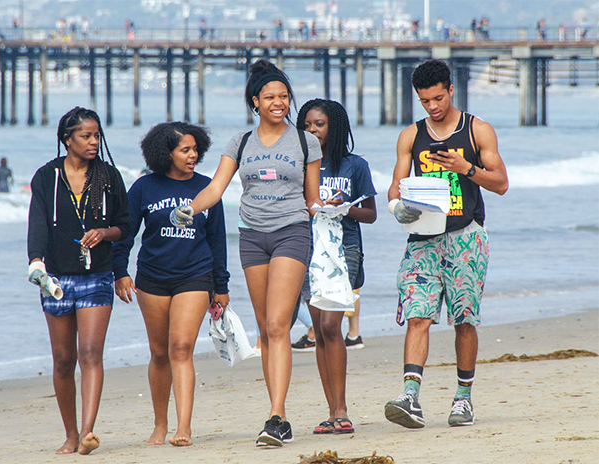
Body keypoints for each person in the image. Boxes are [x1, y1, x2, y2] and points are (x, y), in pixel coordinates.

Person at [171, 59, 322, 446]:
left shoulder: (306, 142)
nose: (279, 103)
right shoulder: (240, 143)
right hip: (253, 236)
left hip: (292, 231)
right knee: (265, 333)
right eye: (270, 97)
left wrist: (327, 209)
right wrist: (193, 207)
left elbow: (312, 199)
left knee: (278, 325)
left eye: (284, 97)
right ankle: (278, 416)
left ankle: (276, 416)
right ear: (255, 101)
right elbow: (216, 188)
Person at [384, 59, 508, 429]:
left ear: (451, 90)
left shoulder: (477, 131)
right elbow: (396, 182)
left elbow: (501, 183)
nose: (433, 107)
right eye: (425, 101)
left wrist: (464, 168)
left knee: (464, 319)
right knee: (418, 313)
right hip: (423, 238)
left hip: (466, 235)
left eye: (438, 98)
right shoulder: (410, 135)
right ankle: (410, 396)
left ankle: (463, 399)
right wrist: (395, 206)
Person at [113, 122, 230, 447]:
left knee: (181, 349)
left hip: (195, 275)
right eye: (185, 150)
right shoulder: (143, 188)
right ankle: (160, 425)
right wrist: (119, 270)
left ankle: (184, 428)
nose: (193, 155)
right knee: (159, 353)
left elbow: (217, 240)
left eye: (195, 149)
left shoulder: (208, 188)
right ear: (166, 153)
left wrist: (221, 285)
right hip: (152, 278)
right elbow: (126, 233)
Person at [27, 107, 129, 455]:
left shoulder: (109, 176)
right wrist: (35, 262)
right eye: (86, 136)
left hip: (97, 277)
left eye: (97, 135)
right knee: (62, 359)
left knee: (90, 353)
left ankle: (87, 432)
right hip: (54, 278)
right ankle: (69, 434)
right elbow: (37, 223)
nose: (93, 142)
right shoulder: (46, 176)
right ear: (66, 138)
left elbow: (125, 226)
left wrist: (105, 232)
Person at [297, 98, 377, 435]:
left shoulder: (354, 166)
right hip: (307, 246)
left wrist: (345, 207)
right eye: (308, 125)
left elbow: (370, 214)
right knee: (319, 330)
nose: (313, 130)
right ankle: (331, 412)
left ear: (335, 127)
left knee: (331, 325)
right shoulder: (300, 165)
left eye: (320, 124)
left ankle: (341, 408)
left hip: (343, 246)